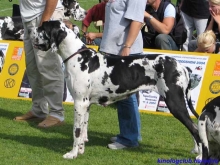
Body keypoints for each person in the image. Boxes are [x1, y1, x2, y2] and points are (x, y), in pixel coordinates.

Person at [99, 0, 146, 149]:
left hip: (125, 50)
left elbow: (137, 21)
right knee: (124, 96)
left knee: (127, 96)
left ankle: (129, 138)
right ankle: (131, 133)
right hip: (113, 49)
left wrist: (127, 46)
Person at [14, 0, 65, 128]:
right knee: (33, 68)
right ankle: (38, 110)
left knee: (49, 67)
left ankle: (56, 113)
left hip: (44, 15)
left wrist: (45, 22)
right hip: (29, 18)